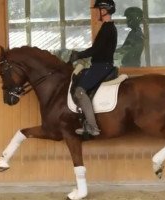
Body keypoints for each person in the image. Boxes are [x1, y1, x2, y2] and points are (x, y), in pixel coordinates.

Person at [69, 0, 117, 136]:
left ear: (106, 10)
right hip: (99, 64)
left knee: (79, 91)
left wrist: (79, 55)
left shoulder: (108, 28)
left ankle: (92, 127)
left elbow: (96, 50)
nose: (98, 12)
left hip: (102, 66)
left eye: (100, 9)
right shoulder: (107, 27)